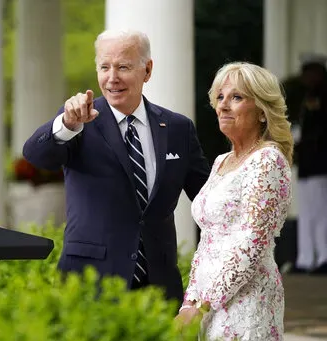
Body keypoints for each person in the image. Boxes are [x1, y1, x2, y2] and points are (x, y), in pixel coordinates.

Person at [22, 29, 210, 302]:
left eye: (123, 67)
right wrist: (66, 125)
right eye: (104, 67)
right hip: (90, 282)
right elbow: (35, 155)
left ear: (147, 70)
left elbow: (208, 199)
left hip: (159, 285)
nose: (112, 78)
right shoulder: (78, 122)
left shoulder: (178, 128)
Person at [177, 62, 294, 340]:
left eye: (236, 97)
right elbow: (207, 242)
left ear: (262, 112)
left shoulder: (268, 160)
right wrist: (189, 303)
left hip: (248, 302)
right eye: (220, 97)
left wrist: (203, 306)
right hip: (207, 304)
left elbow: (253, 242)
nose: (223, 106)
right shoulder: (220, 162)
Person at [292, 53, 327, 274]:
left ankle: (323, 257)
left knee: (321, 213)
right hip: (307, 165)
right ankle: (306, 258)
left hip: (321, 164)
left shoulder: (324, 96)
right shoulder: (308, 97)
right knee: (307, 213)